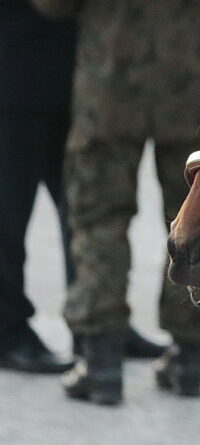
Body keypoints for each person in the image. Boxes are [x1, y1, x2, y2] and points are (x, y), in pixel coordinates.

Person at [32, 0, 200, 405]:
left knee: (98, 219)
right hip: (194, 82)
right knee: (196, 222)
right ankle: (189, 355)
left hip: (110, 82)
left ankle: (102, 359)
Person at [0, 0, 75, 374]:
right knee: (7, 219)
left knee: (83, 211)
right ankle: (7, 332)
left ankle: (96, 327)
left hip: (68, 82)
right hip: (13, 79)